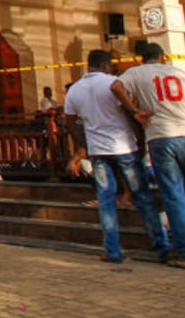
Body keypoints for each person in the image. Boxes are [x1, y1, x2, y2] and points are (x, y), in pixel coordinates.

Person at [113, 42, 185, 270]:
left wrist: (134, 110)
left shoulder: (136, 73)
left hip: (161, 137)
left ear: (141, 58)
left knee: (174, 196)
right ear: (162, 57)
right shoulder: (180, 74)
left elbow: (117, 86)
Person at [63, 50, 169, 264]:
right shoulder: (114, 83)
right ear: (106, 66)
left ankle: (112, 250)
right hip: (123, 146)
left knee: (106, 200)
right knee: (142, 197)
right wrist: (139, 140)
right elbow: (131, 114)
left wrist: (84, 142)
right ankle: (162, 246)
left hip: (98, 150)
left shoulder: (75, 90)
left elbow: (72, 122)